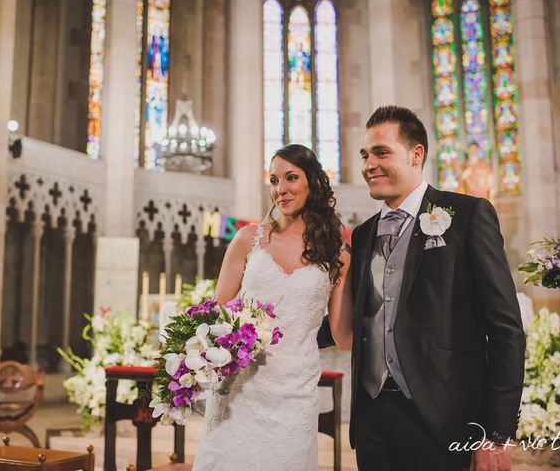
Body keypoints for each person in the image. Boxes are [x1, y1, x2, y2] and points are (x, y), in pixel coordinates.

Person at [326, 105, 525, 470]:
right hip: (372, 420)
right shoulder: (363, 233)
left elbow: (506, 331)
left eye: (381, 152)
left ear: (416, 154)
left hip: (444, 419)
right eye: (365, 155)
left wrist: (496, 433)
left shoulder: (467, 216)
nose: (369, 164)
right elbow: (359, 321)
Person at [192, 144, 350, 471]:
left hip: (295, 391)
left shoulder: (338, 253)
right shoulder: (248, 238)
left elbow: (341, 334)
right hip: (239, 389)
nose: (281, 189)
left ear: (315, 183)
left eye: (291, 178)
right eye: (274, 180)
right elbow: (214, 315)